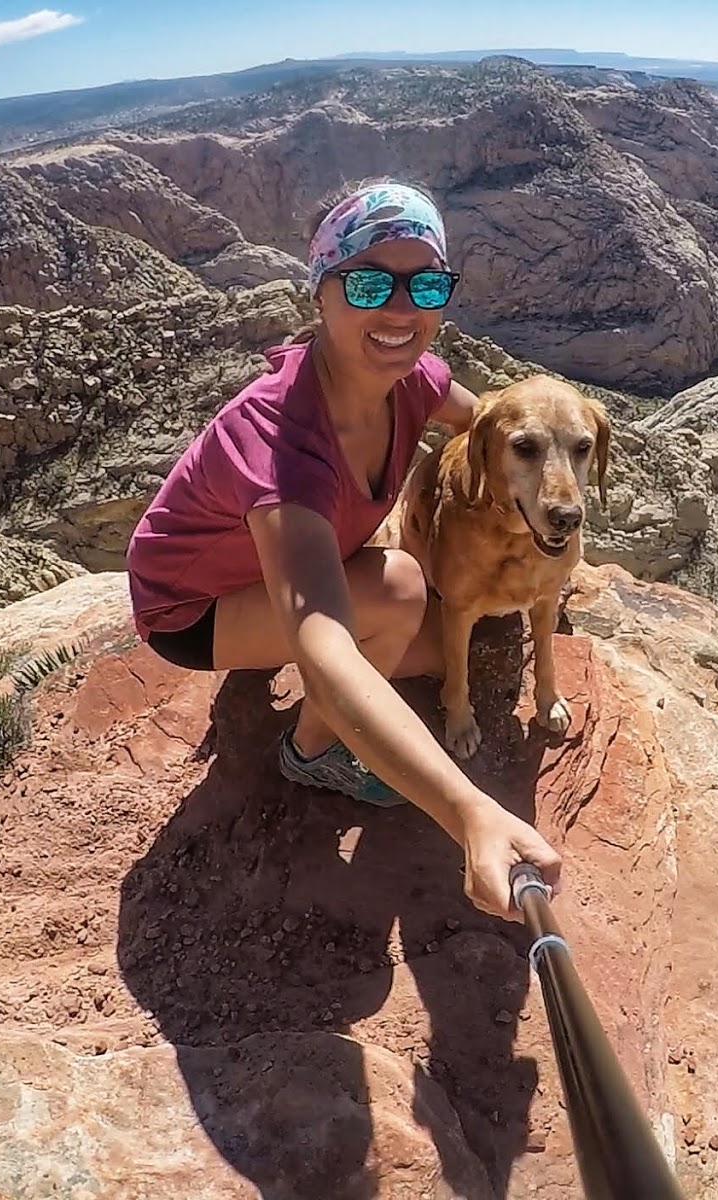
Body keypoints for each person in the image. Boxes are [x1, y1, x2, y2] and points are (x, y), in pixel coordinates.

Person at [125, 177, 562, 921]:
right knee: (397, 592)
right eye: (367, 282)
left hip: (278, 578)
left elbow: (485, 424)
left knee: (451, 636)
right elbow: (322, 644)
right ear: (319, 294)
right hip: (187, 609)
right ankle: (311, 751)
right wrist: (467, 812)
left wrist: (543, 486)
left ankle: (312, 697)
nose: (400, 309)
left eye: (426, 285)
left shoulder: (413, 380)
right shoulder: (277, 442)